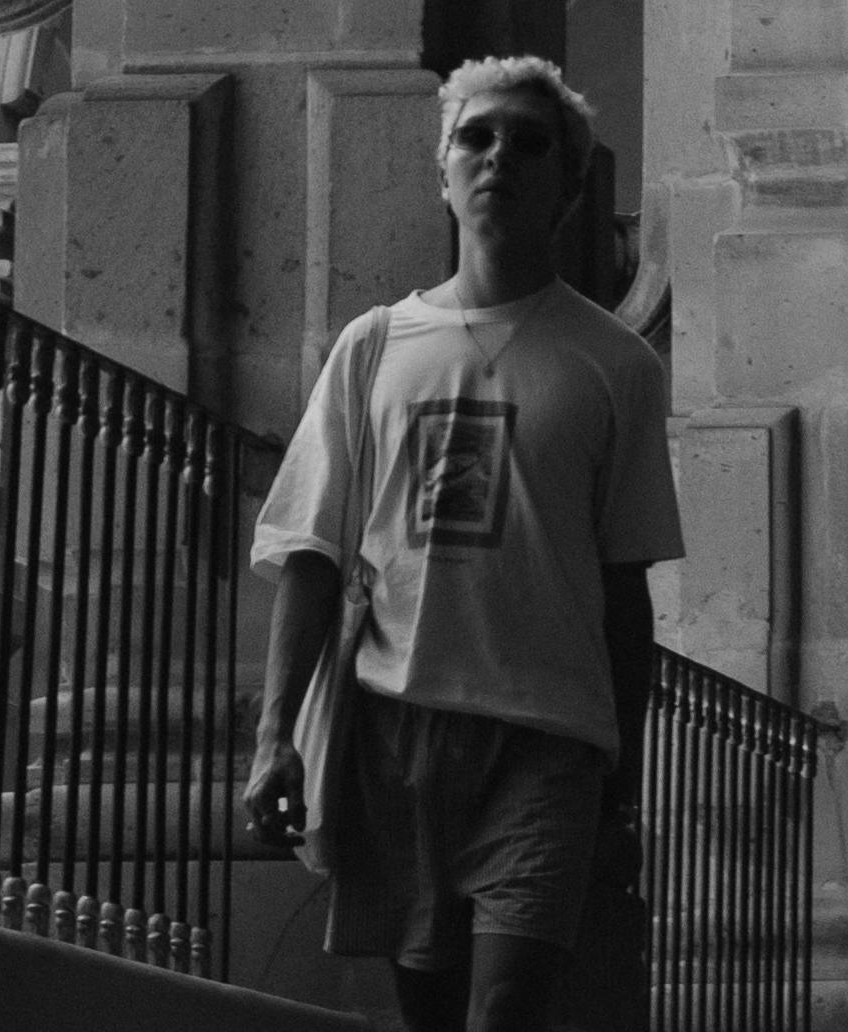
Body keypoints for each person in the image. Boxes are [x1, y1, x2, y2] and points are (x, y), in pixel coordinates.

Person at [245, 55, 680, 1032]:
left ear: (568, 188)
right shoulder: (372, 347)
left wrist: (626, 773)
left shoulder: (617, 365)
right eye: (475, 138)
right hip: (395, 735)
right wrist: (275, 739)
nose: (498, 158)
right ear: (443, 168)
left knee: (508, 1004)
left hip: (549, 742)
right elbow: (313, 551)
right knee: (431, 1009)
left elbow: (626, 585)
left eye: (529, 143)